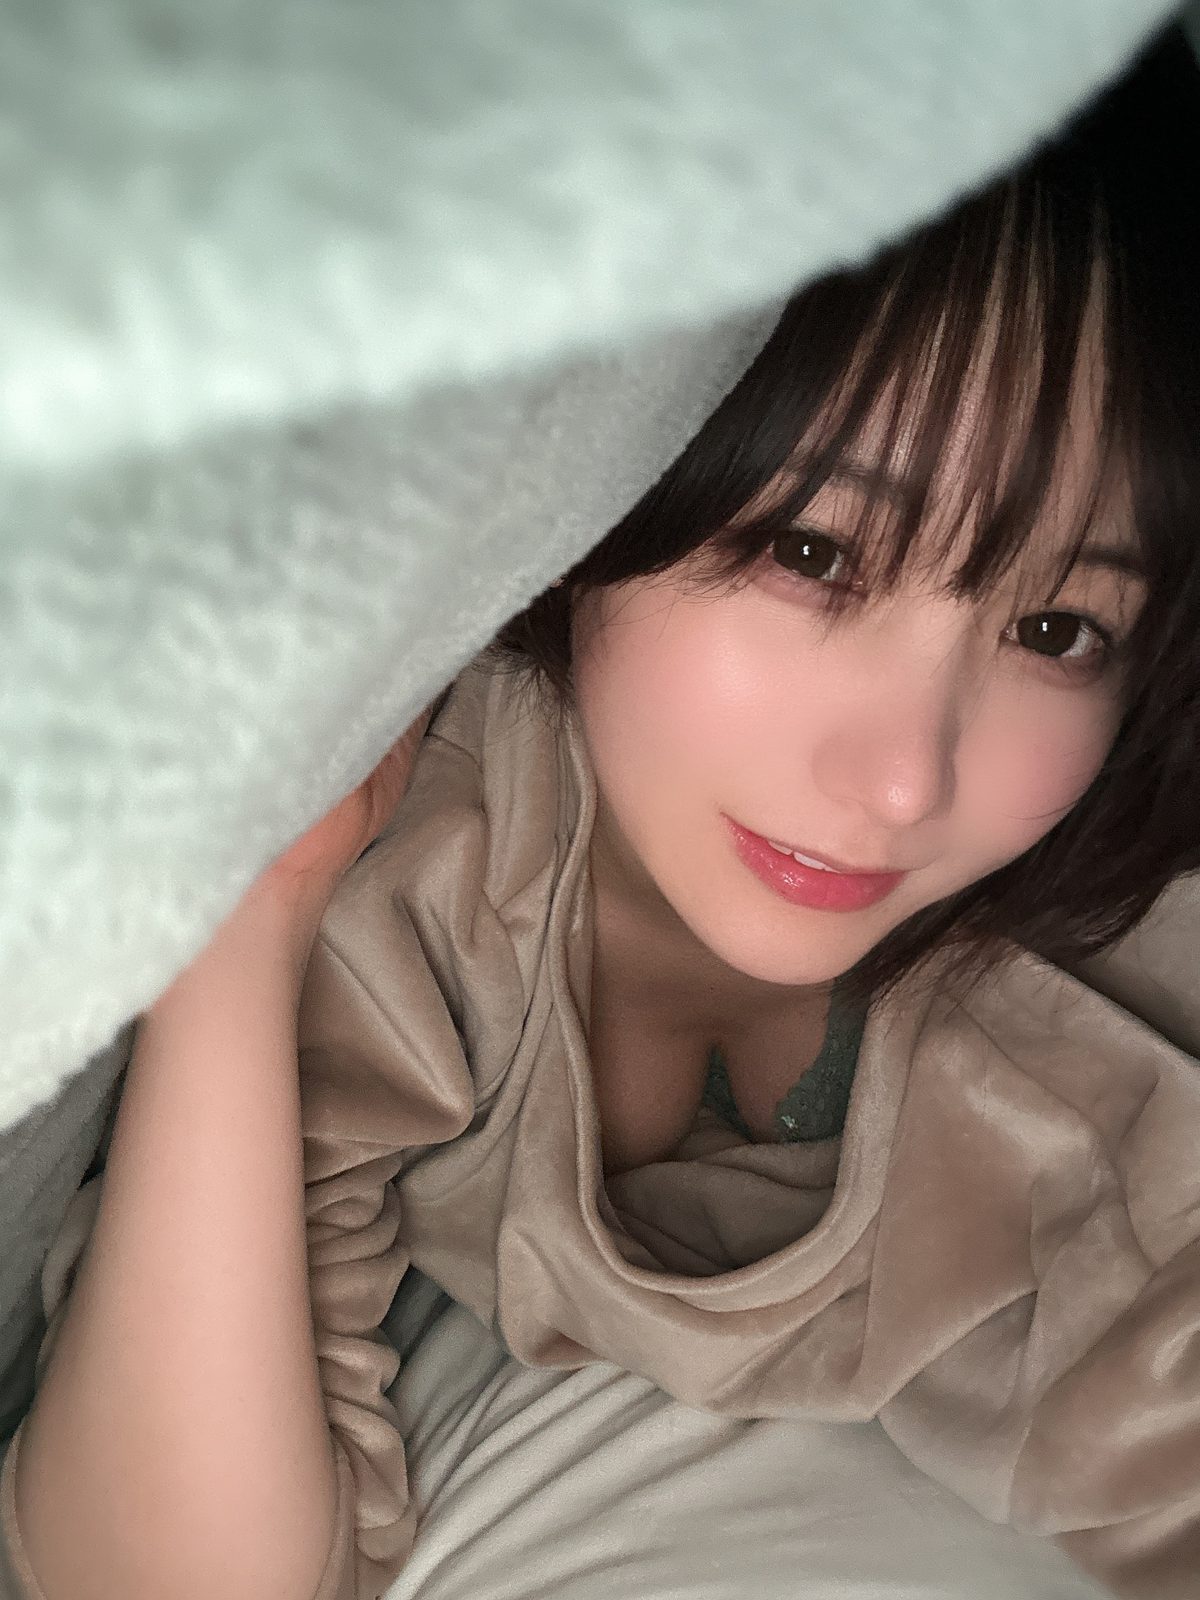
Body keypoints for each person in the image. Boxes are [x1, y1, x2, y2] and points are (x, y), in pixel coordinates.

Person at [4, 20, 1200, 1600]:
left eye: (1057, 631)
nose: (905, 778)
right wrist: (246, 918)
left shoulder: (1105, 989)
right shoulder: (435, 850)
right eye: (815, 555)